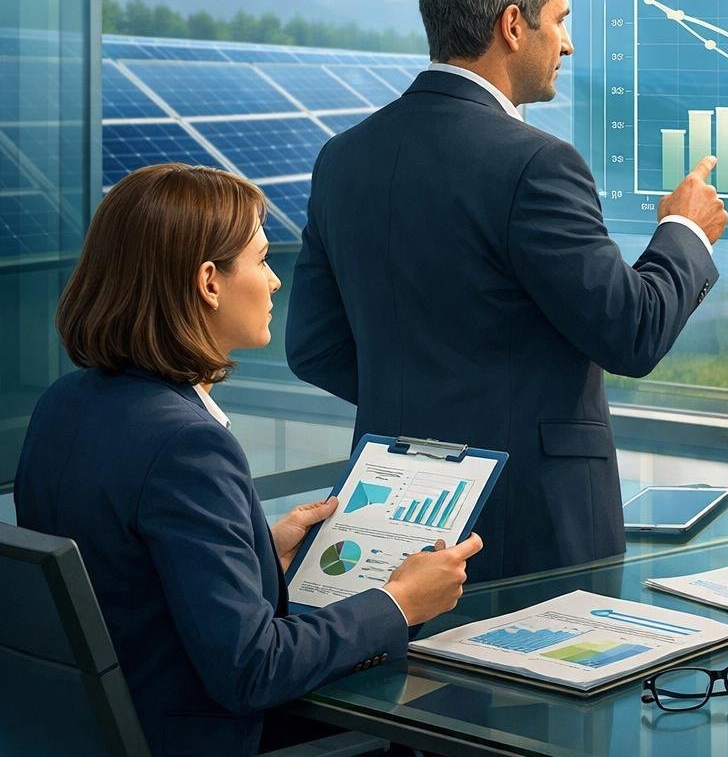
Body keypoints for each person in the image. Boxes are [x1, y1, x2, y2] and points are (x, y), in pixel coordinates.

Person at [287, 0, 727, 582]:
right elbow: (631, 334)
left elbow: (315, 346)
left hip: (387, 511)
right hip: (533, 523)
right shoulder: (536, 165)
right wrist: (684, 231)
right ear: (514, 25)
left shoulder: (344, 157)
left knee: (412, 683)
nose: (569, 43)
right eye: (561, 21)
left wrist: (434, 415)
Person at [14, 163, 482, 757]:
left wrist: (260, 548)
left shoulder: (66, 404)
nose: (275, 282)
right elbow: (251, 669)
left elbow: (127, 576)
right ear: (209, 282)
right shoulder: (187, 444)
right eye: (261, 261)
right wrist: (398, 603)